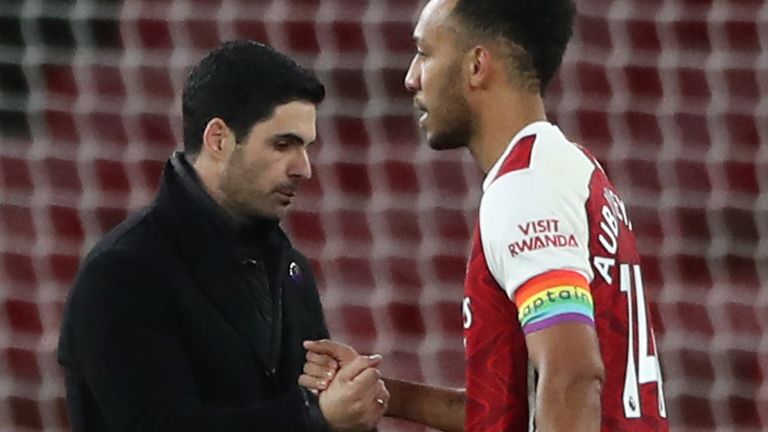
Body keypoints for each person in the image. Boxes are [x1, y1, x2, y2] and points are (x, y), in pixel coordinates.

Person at [300, 0, 669, 431]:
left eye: (425, 53)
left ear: (477, 65)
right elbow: (515, 409)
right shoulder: (571, 169)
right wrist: (382, 392)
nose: (411, 77)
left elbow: (572, 375)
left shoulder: (527, 188)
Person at [57, 40, 388, 432]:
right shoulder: (122, 273)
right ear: (218, 139)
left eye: (306, 147)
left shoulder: (290, 268)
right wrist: (314, 417)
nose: (304, 168)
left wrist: (346, 400)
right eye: (283, 145)